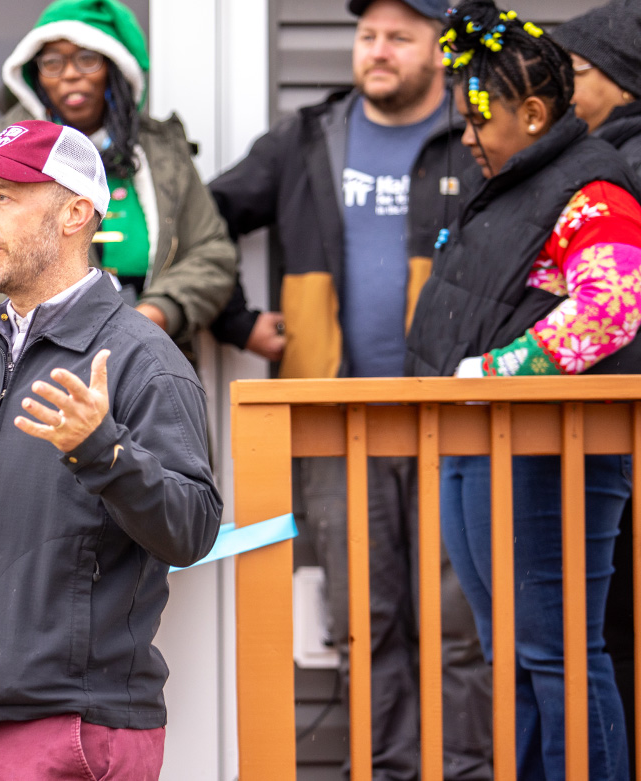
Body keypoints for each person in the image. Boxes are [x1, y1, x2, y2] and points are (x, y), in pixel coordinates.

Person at [0, 120, 222, 780]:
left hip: (73, 733)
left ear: (75, 213)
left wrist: (104, 450)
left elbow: (193, 527)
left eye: (3, 198)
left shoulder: (144, 362)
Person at [208, 0, 492, 777]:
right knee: (366, 621)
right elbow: (207, 215)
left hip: (453, 417)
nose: (378, 49)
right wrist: (237, 320)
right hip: (336, 420)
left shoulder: (475, 137)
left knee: (459, 621)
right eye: (368, 35)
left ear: (439, 50)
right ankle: (390, 770)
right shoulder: (308, 137)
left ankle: (464, 769)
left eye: (400, 36)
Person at [405, 2, 641, 777]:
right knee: (513, 651)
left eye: (482, 118)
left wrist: (498, 372)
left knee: (558, 651)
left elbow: (612, 306)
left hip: (549, 451)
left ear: (535, 113)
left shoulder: (594, 191)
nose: (467, 136)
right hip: (484, 443)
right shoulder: (514, 184)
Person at [0, 0, 235, 360]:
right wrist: (39, 331)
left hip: (151, 351)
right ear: (35, 76)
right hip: (35, 356)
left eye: (87, 59)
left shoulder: (164, 153)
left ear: (114, 70)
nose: (70, 74)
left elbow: (211, 252)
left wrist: (157, 314)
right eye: (52, 62)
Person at [551, 3, 641, 764]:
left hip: (617, 428)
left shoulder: (619, 172)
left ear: (623, 83)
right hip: (610, 429)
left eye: (575, 72)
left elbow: (611, 309)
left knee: (609, 627)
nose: (561, 87)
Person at [552, 0, 641, 175]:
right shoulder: (588, 149)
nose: (555, 88)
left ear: (627, 87)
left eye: (573, 72)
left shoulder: (633, 162)